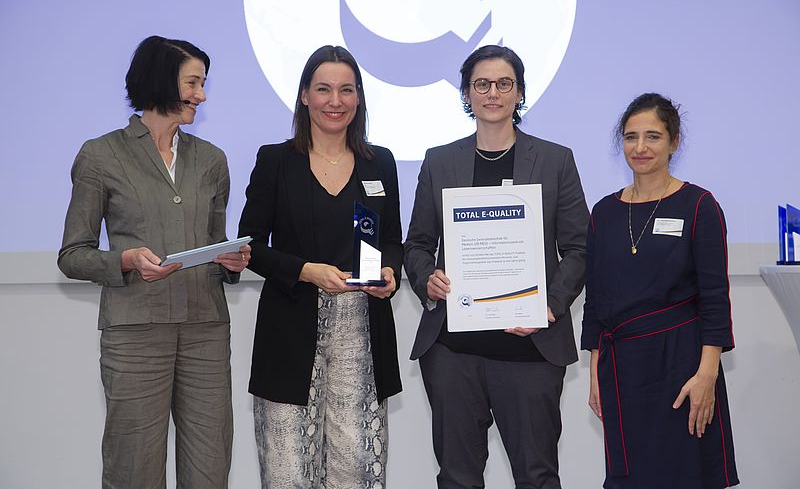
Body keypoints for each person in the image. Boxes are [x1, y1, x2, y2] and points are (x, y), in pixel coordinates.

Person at [58, 36, 250, 488]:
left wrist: (232, 260)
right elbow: (72, 255)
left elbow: (216, 245)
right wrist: (123, 260)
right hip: (135, 335)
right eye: (193, 82)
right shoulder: (101, 154)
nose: (201, 95)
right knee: (134, 469)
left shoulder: (212, 160)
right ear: (162, 80)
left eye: (203, 84)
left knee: (210, 467)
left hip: (205, 329)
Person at [404, 45, 589, 488]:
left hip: (530, 350)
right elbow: (417, 244)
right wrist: (427, 278)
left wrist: (548, 303)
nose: (492, 93)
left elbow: (581, 248)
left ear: (519, 92)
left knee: (537, 476)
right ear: (466, 93)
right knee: (457, 477)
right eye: (481, 84)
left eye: (504, 84)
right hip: (453, 352)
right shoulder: (439, 160)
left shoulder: (555, 159)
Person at [238, 45, 403, 488]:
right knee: (289, 469)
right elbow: (249, 245)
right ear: (305, 96)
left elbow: (390, 241)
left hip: (362, 334)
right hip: (290, 332)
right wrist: (305, 270)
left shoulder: (380, 162)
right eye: (324, 89)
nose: (336, 101)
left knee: (358, 468)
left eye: (346, 90)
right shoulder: (277, 160)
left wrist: (390, 273)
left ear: (359, 98)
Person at [581, 93, 739, 488]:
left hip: (682, 365)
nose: (640, 148)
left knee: (685, 474)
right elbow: (596, 301)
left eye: (652, 136)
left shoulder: (699, 205)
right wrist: (595, 374)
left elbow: (715, 301)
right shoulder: (604, 211)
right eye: (631, 137)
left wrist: (706, 377)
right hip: (621, 369)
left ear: (674, 142)